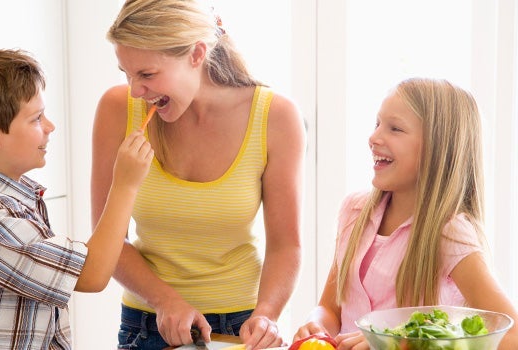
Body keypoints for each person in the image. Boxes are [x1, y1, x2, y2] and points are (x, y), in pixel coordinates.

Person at [90, 0, 305, 349]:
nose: (134, 90)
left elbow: (286, 245)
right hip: (147, 326)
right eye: (126, 73)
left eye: (146, 74)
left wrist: (267, 314)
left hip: (241, 327)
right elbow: (107, 240)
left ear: (196, 54)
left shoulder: (276, 118)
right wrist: (164, 300)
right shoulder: (117, 110)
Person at [0, 48, 153, 349]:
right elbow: (92, 275)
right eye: (36, 119)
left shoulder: (13, 200)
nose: (50, 127)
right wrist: (124, 185)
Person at [292, 78, 518, 350]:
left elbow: (512, 335)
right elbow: (330, 307)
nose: (374, 138)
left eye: (395, 128)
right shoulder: (354, 211)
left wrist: (395, 341)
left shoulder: (450, 232)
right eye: (377, 124)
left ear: (438, 147)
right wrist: (316, 323)